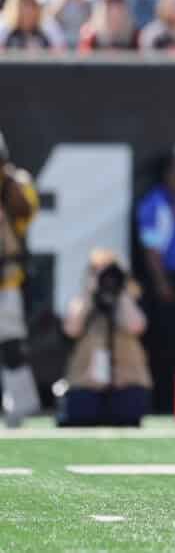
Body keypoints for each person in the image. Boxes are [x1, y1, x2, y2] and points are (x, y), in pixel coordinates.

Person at [135, 153, 175, 413]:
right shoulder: (156, 202)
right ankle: (162, 402)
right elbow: (152, 249)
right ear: (169, 171)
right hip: (168, 281)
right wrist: (162, 284)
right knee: (166, 344)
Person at [57, 249, 151, 427]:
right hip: (86, 383)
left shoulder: (130, 299)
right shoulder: (81, 301)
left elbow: (136, 326)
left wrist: (121, 291)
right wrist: (90, 292)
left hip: (126, 382)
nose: (106, 279)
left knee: (128, 414)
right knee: (80, 415)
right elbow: (71, 329)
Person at [0, 130, 40, 427]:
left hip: (7, 277)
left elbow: (25, 216)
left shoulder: (17, 184)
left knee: (11, 343)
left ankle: (21, 405)